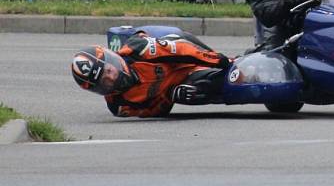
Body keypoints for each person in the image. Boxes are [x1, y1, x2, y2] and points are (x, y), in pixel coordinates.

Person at [71, 32, 232, 118]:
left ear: (111, 59)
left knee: (227, 67)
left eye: (108, 71)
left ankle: (239, 60)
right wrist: (171, 96)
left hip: (178, 53)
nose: (111, 79)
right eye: (103, 83)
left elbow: (183, 50)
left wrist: (220, 60)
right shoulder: (120, 105)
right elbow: (153, 112)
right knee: (204, 87)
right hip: (180, 81)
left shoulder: (139, 50)